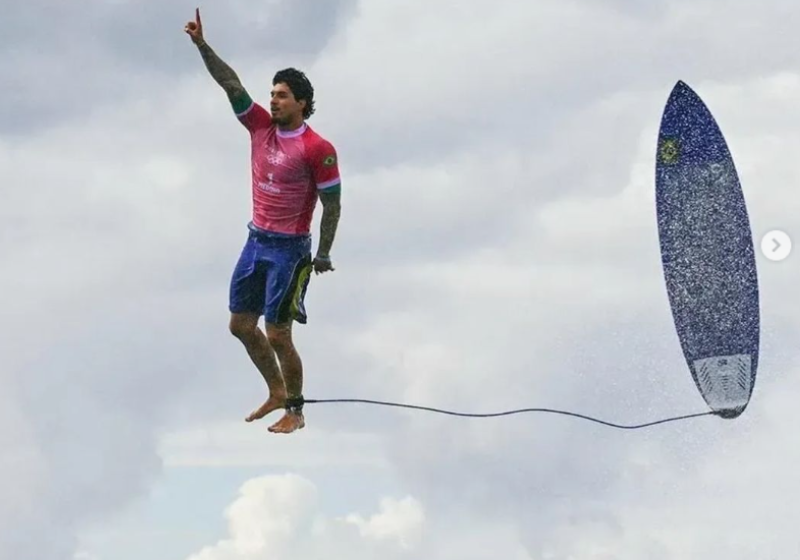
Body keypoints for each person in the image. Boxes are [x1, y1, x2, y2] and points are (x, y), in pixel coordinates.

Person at [184, 8, 342, 434]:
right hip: (256, 241)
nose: (273, 100)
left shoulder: (317, 147)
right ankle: (275, 390)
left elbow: (333, 204)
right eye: (272, 94)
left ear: (302, 103)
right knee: (240, 325)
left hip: (290, 250)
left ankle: (295, 409)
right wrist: (202, 45)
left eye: (282, 95)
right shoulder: (259, 127)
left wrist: (324, 252)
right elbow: (230, 83)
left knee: (278, 333)